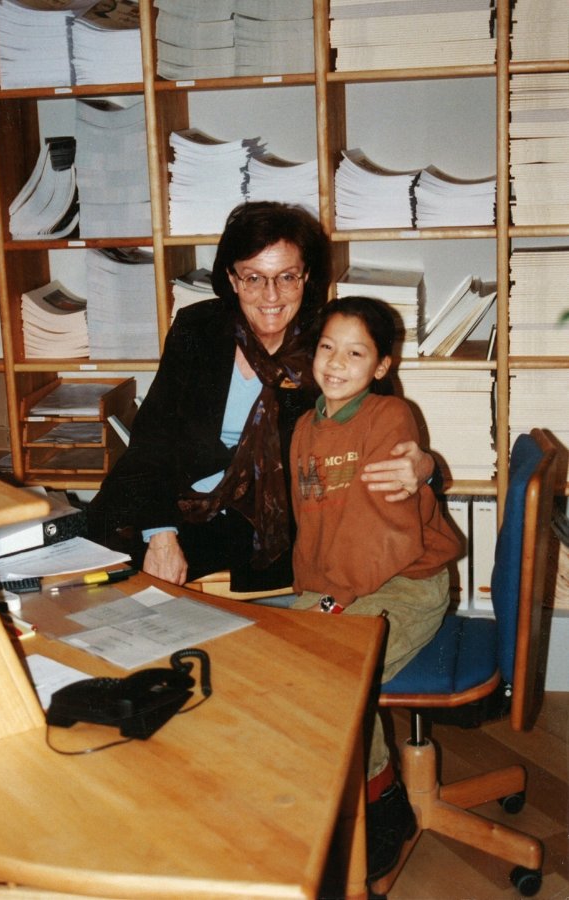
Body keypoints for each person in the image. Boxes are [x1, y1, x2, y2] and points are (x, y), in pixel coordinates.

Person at [87, 201, 436, 593]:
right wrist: (161, 533)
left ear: (306, 277)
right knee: (88, 557)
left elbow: (386, 427)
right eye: (253, 278)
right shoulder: (198, 329)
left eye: (286, 277)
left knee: (132, 583)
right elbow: (153, 437)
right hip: (177, 494)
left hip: (268, 519)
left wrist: (426, 468)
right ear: (232, 279)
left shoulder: (331, 344)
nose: (271, 296)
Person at [289, 296, 460, 881]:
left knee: (334, 672)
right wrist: (309, 595)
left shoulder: (389, 417)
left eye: (355, 352)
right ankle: (316, 801)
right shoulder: (306, 426)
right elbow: (312, 525)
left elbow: (384, 536)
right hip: (348, 583)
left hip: (406, 583)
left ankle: (381, 798)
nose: (336, 362)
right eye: (327, 347)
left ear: (382, 365)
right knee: (282, 663)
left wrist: (330, 602)